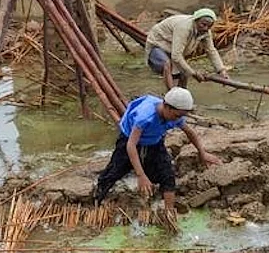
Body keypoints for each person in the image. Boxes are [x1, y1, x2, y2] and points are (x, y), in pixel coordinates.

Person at [92, 87, 221, 214]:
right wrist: (141, 175)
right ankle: (96, 202)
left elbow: (189, 132)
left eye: (181, 116)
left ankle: (169, 213)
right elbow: (131, 145)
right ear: (166, 106)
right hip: (129, 139)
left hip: (154, 141)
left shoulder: (175, 115)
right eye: (176, 116)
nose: (177, 120)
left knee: (167, 174)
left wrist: (202, 153)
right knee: (113, 173)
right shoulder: (145, 117)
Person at [145, 7, 230, 90]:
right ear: (196, 20)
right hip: (158, 43)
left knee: (183, 73)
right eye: (203, 24)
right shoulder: (184, 27)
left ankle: (182, 94)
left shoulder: (206, 32)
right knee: (167, 65)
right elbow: (176, 56)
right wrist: (193, 73)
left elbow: (211, 51)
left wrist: (221, 71)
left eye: (209, 26)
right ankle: (171, 95)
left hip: (174, 47)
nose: (205, 28)